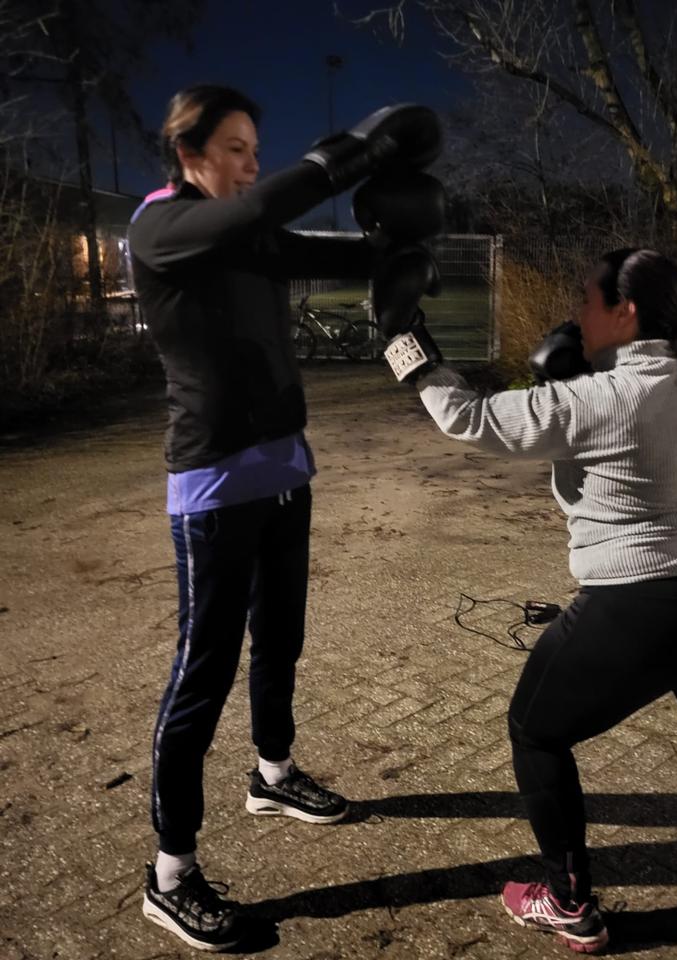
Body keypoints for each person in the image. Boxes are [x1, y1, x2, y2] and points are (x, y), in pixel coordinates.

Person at [372, 247, 677, 953]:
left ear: (625, 310)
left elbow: (472, 420)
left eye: (587, 300)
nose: (577, 312)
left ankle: (570, 902)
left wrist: (406, 344)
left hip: (644, 610)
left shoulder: (602, 400)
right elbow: (619, 414)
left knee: (536, 730)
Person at [127, 84, 441, 951]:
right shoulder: (164, 228)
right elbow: (266, 208)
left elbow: (325, 252)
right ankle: (171, 875)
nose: (252, 165)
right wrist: (358, 152)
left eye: (256, 149)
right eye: (235, 147)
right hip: (215, 489)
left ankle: (272, 774)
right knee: (202, 673)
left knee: (283, 639)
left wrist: (406, 245)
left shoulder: (247, 233)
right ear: (188, 151)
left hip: (285, 473)